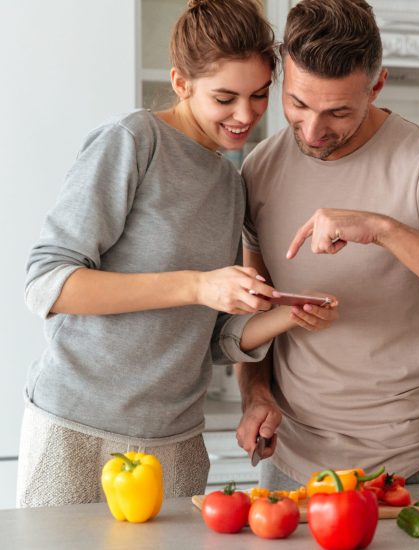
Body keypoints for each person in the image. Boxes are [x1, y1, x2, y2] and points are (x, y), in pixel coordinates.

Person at [18, 0, 337, 508]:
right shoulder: (133, 141)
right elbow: (48, 283)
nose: (245, 115)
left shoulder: (231, 185)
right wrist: (197, 283)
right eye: (225, 97)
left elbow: (209, 339)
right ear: (181, 82)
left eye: (258, 96)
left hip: (177, 440)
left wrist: (286, 316)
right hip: (79, 428)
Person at [235, 0, 419, 490]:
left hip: (408, 466)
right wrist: (257, 394)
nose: (312, 131)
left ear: (377, 86)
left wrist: (384, 230)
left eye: (338, 111)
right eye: (298, 103)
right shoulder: (260, 169)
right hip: (290, 465)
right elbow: (257, 309)